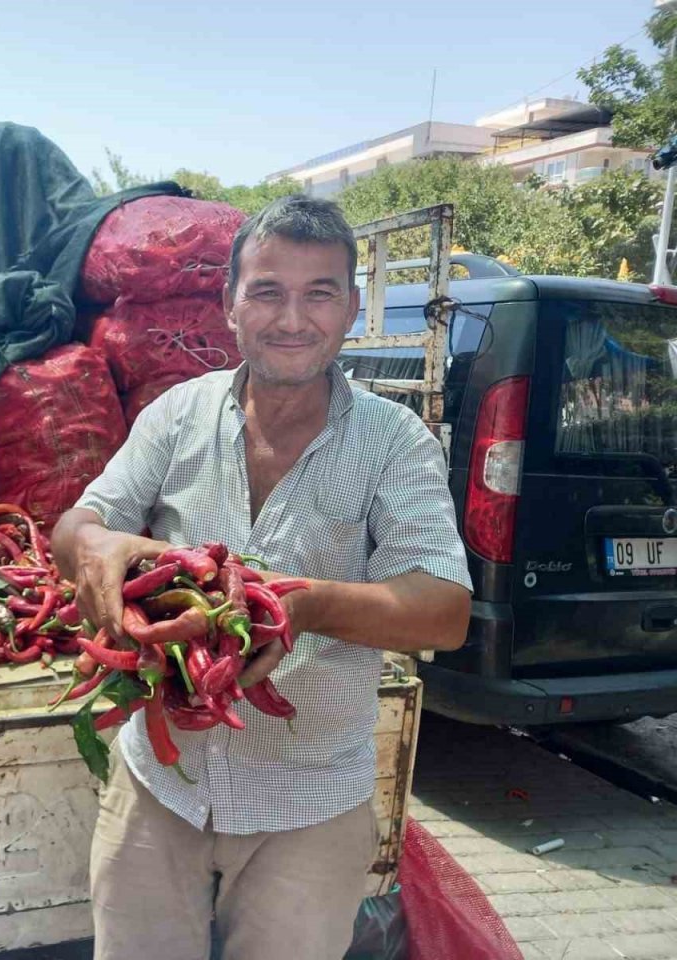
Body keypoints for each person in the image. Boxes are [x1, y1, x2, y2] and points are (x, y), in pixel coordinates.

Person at [51, 195, 473, 960]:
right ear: (229, 305)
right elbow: (80, 523)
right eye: (268, 291)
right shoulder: (178, 414)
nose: (292, 318)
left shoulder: (394, 443)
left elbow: (441, 611)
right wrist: (96, 548)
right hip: (162, 784)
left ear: (350, 308)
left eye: (320, 293)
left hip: (307, 801)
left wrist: (300, 607)